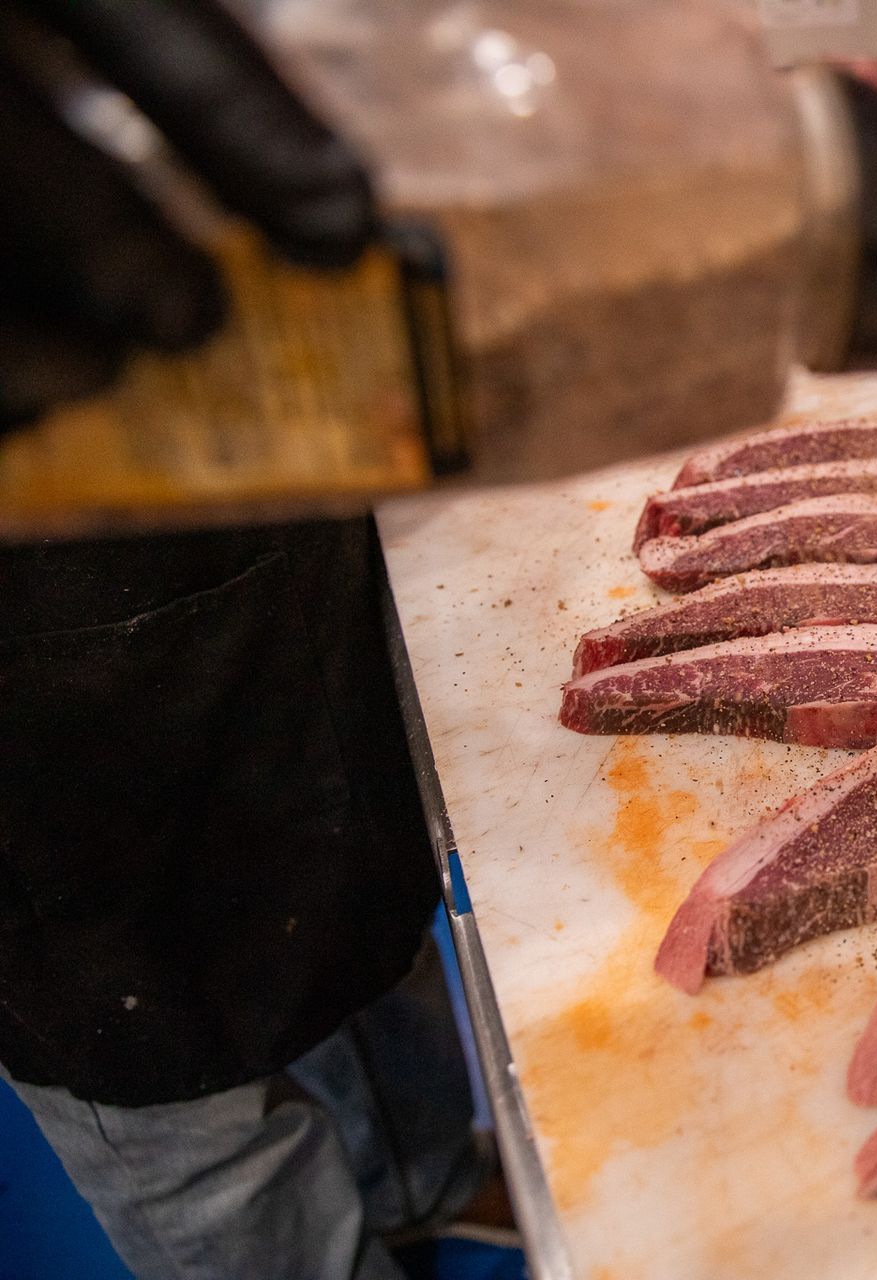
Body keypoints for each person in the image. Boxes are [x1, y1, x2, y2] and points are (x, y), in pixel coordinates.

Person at [0, 3, 494, 1276]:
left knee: (348, 917)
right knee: (181, 1097)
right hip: (37, 710)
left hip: (246, 480)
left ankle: (432, 1192)